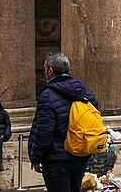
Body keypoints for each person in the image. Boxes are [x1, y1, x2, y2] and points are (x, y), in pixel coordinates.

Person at [29, 52, 98, 192]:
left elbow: (44, 132)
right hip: (80, 155)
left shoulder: (47, 95)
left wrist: (35, 157)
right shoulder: (85, 91)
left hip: (56, 160)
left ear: (50, 71)